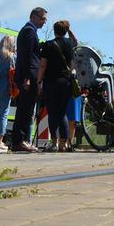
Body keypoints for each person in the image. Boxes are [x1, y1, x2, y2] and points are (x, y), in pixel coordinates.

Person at [11, 7, 46, 152]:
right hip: (29, 75)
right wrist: (27, 77)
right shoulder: (29, 32)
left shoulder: (29, 31)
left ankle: (22, 140)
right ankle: (19, 141)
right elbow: (26, 56)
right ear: (33, 16)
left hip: (29, 74)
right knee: (25, 110)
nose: (44, 22)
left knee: (26, 109)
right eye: (42, 18)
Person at [38, 20, 77, 152]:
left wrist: (39, 81)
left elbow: (43, 65)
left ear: (54, 30)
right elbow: (72, 65)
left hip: (51, 82)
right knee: (62, 112)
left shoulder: (48, 45)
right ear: (66, 31)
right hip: (66, 82)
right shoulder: (69, 44)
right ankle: (63, 144)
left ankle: (54, 142)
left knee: (52, 112)